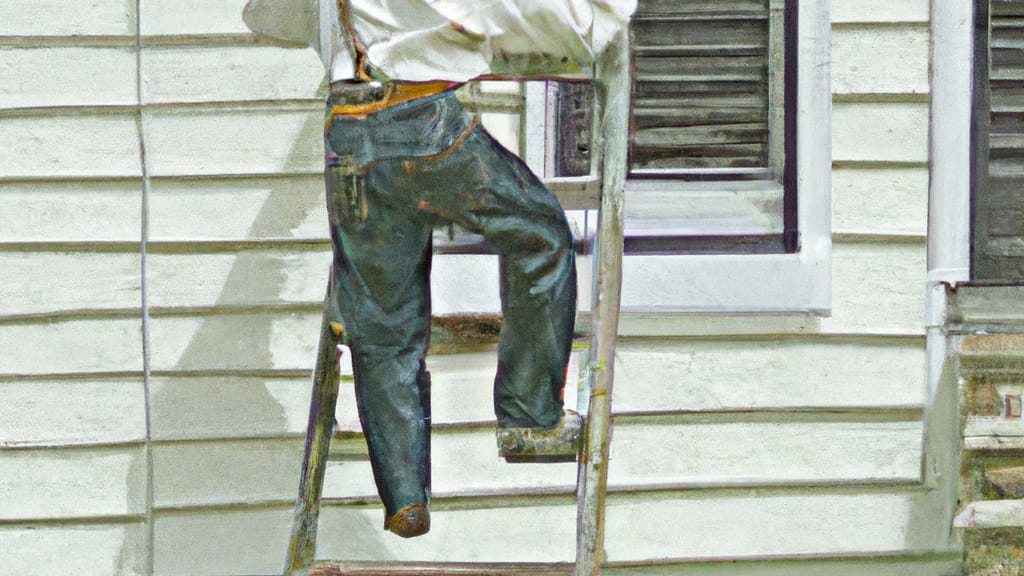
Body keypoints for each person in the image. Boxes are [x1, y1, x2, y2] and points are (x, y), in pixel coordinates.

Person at [243, 0, 635, 538]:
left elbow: (265, 16)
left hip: (349, 132)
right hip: (421, 121)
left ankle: (404, 496)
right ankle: (529, 416)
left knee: (383, 325)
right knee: (540, 235)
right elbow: (542, 22)